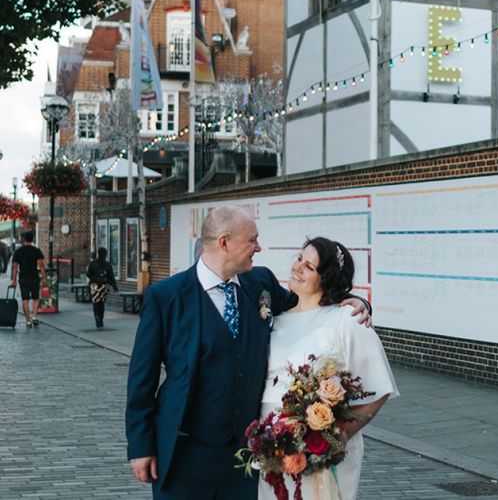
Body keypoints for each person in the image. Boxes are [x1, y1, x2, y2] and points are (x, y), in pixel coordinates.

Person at [125, 206, 370, 499]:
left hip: (246, 456)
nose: (258, 247)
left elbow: (311, 300)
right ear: (224, 242)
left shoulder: (260, 284)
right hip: (183, 451)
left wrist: (357, 302)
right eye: (252, 240)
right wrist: (141, 447)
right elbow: (142, 380)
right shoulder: (166, 297)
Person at [258, 237, 398, 500]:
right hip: (271, 451)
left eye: (310, 267)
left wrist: (334, 438)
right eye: (300, 258)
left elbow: (378, 392)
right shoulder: (276, 319)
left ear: (327, 279)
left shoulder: (348, 320)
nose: (298, 267)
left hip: (319, 454)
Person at [10, 231, 47, 328]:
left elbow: (15, 267)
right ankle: (34, 316)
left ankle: (28, 321)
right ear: (32, 240)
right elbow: (41, 265)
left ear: (24, 240)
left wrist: (14, 280)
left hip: (23, 278)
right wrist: (44, 278)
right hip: (34, 277)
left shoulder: (18, 252)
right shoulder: (36, 250)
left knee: (25, 299)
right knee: (35, 298)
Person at [87, 247, 118, 328]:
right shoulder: (107, 264)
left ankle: (97, 317)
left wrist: (94, 278)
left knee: (95, 302)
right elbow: (111, 276)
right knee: (102, 303)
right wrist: (114, 286)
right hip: (104, 286)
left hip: (95, 286)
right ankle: (100, 318)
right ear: (105, 254)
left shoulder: (93, 263)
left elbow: (88, 274)